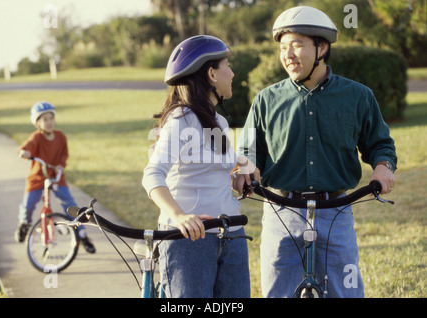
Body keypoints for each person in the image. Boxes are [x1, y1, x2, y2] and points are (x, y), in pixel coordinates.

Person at [233, 6, 397, 298]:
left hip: (336, 211)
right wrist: (248, 167)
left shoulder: (358, 96)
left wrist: (383, 165)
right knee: (277, 292)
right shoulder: (266, 100)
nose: (288, 55)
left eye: (297, 45)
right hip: (281, 211)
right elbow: (249, 150)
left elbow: (380, 143)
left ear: (321, 48)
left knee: (344, 291)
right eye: (283, 47)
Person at [142, 35, 251, 298]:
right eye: (227, 65)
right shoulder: (181, 119)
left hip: (231, 234)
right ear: (212, 74)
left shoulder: (218, 122)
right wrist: (178, 216)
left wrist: (242, 167)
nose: (233, 73)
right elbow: (152, 174)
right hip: (191, 241)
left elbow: (217, 162)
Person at [15, 101, 96, 254]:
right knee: (29, 204)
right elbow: (27, 146)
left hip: (56, 176)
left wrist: (60, 165)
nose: (49, 122)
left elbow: (64, 154)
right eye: (44, 119)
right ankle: (24, 223)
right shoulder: (36, 138)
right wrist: (23, 152)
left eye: (51, 118)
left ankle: (82, 234)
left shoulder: (60, 136)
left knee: (70, 205)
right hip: (38, 177)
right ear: (37, 123)